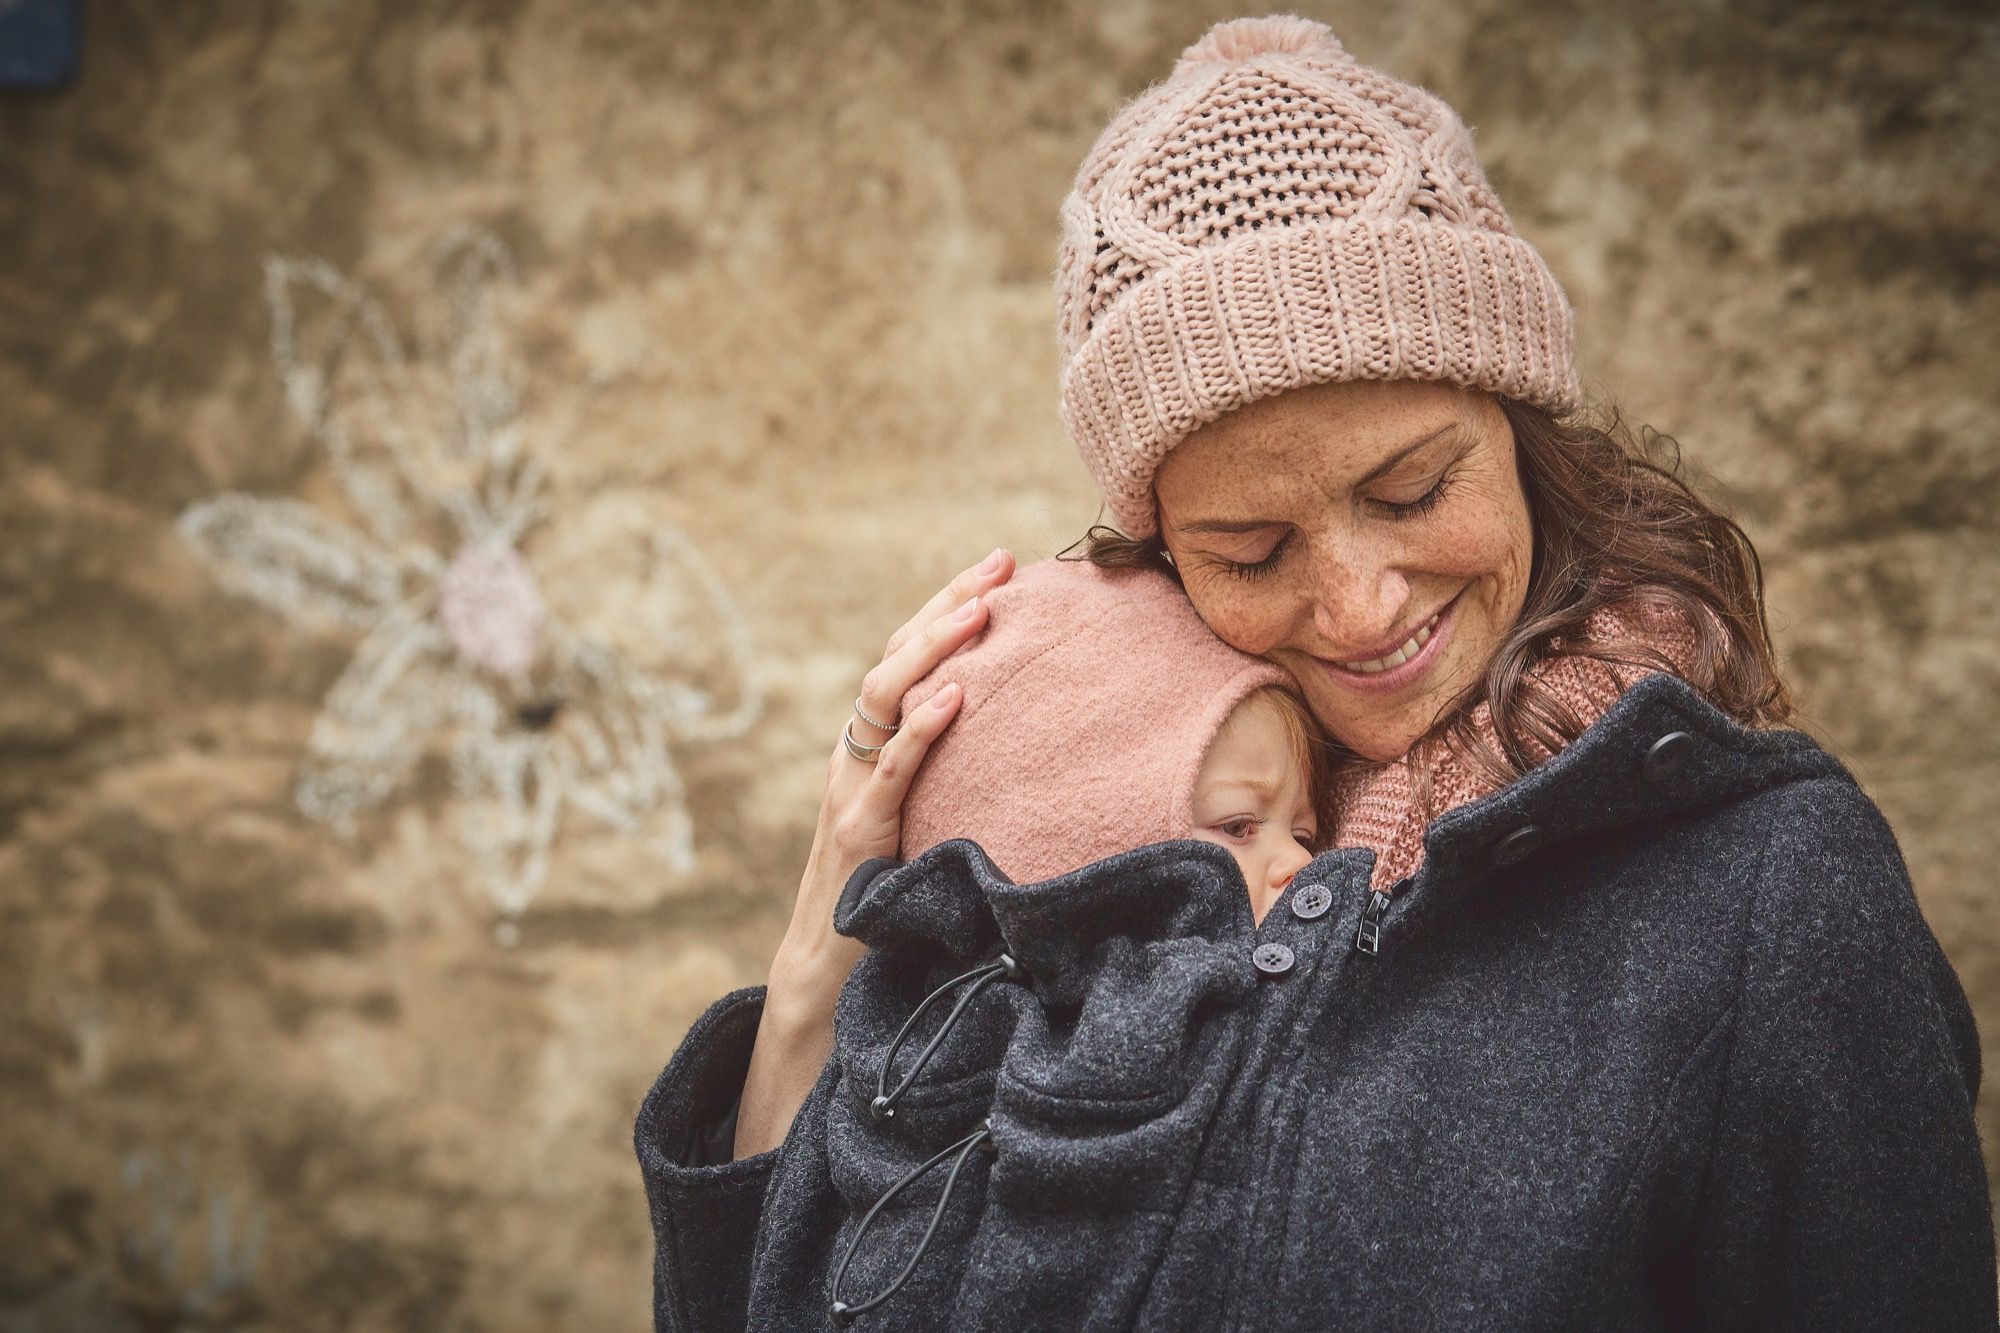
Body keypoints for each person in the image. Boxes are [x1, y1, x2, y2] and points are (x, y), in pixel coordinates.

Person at [635, 14, 1997, 1330]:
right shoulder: (1093, 852)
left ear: (1522, 435)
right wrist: (827, 925)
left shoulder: (1771, 894)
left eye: (1411, 490)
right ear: (1161, 543)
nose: (1356, 606)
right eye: (1251, 545)